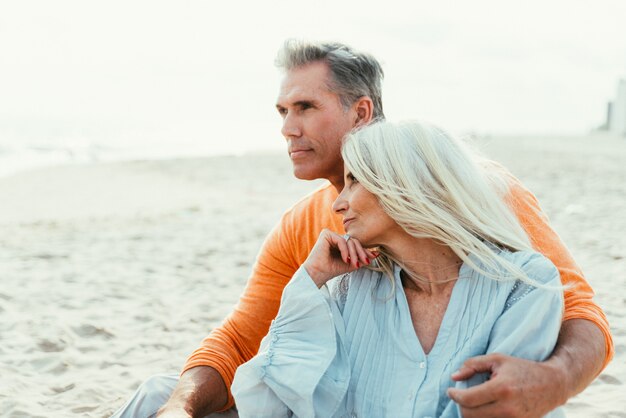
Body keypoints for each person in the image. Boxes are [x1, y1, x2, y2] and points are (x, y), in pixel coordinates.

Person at [111, 40, 612, 418]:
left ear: (362, 112)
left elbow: (578, 307)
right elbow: (243, 338)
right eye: (283, 111)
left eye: (306, 107)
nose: (287, 127)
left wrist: (557, 378)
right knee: (159, 393)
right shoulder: (303, 224)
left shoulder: (476, 192)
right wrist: (181, 404)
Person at [231, 120, 566, 417]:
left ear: (405, 182)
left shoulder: (523, 284)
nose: (338, 203)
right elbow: (271, 405)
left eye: (354, 181)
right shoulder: (350, 291)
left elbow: (488, 409)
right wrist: (309, 280)